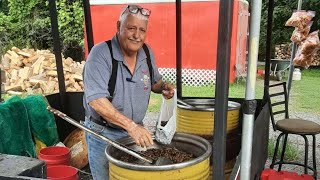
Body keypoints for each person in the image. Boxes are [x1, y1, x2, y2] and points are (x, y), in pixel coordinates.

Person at [83, 4, 175, 180]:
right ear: (119, 26)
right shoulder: (100, 54)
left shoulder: (146, 52)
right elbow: (96, 100)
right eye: (131, 28)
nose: (137, 35)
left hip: (133, 134)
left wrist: (163, 87)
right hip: (104, 133)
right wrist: (132, 127)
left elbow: (154, 81)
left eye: (142, 30)